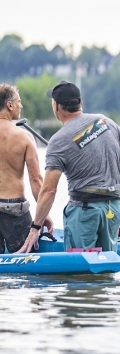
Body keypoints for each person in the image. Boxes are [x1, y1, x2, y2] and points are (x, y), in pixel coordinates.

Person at [17, 81, 120, 253]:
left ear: (56, 106)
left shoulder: (58, 141)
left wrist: (35, 227)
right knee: (106, 264)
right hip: (113, 207)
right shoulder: (106, 122)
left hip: (84, 212)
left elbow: (49, 190)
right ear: (80, 103)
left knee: (80, 271)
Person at [0, 84, 53, 253]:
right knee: (26, 261)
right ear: (9, 105)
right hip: (14, 208)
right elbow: (36, 180)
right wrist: (43, 216)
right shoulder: (23, 137)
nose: (20, 106)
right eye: (19, 102)